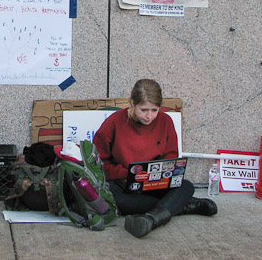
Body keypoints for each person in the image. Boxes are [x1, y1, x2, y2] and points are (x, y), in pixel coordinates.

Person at [93, 79, 217, 238]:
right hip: (123, 183)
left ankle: (150, 219)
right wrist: (126, 174)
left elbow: (171, 157)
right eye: (144, 109)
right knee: (112, 200)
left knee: (186, 186)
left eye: (154, 110)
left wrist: (159, 173)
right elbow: (98, 162)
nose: (149, 116)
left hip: (155, 183)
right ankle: (183, 206)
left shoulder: (166, 121)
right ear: (132, 103)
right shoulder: (114, 122)